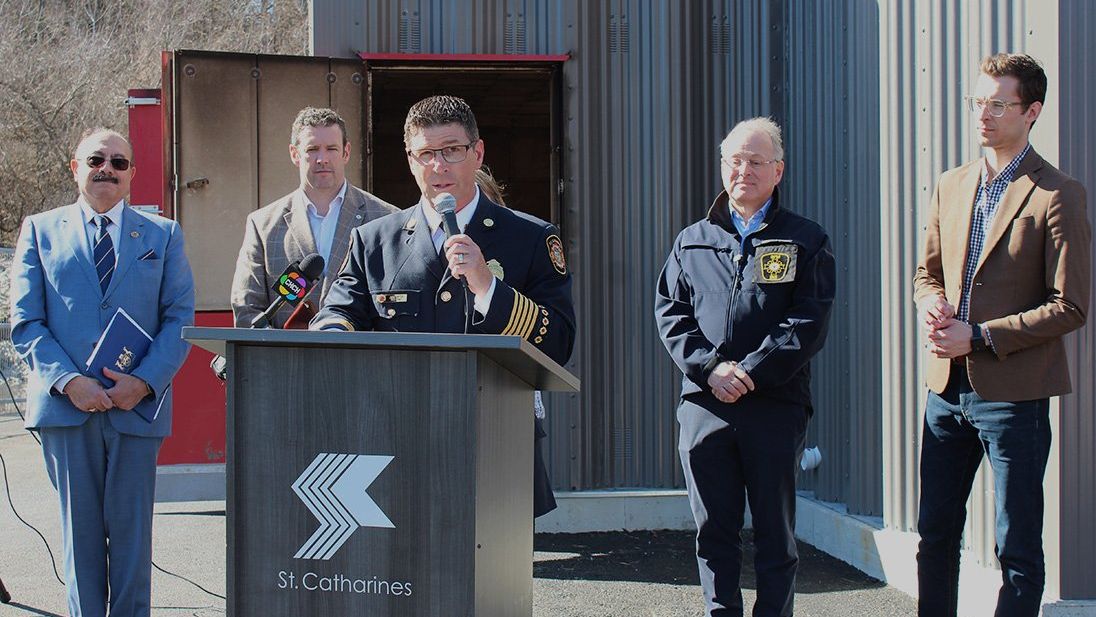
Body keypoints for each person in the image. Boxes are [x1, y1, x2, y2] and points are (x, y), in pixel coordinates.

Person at [310, 95, 574, 517]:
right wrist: (335, 335)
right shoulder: (374, 240)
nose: (439, 166)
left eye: (452, 150)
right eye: (426, 154)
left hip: (493, 441)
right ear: (410, 160)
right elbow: (339, 311)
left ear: (478, 153)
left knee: (488, 581)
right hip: (394, 440)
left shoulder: (531, 238)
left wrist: (489, 287)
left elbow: (558, 342)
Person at [913, 53, 1090, 617]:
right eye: (977, 102)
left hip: (1014, 397)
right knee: (934, 538)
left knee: (1016, 548)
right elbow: (927, 272)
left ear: (1031, 111)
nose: (982, 114)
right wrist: (931, 304)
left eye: (998, 104)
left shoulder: (1057, 193)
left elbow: (1071, 306)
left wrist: (980, 336)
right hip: (945, 392)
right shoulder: (952, 183)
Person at [10, 128, 195, 616]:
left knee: (133, 538)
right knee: (82, 535)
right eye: (96, 159)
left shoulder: (163, 235)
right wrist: (69, 382)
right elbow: (25, 322)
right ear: (76, 167)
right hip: (66, 410)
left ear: (132, 173)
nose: (106, 169)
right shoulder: (40, 230)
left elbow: (180, 318)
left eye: (118, 161)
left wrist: (146, 381)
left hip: (138, 408)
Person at [655, 117, 835, 617]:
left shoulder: (806, 239)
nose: (744, 171)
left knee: (775, 534)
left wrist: (750, 371)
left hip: (774, 406)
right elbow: (671, 314)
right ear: (722, 167)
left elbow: (807, 322)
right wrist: (711, 369)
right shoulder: (691, 240)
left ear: (778, 171)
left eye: (756, 162)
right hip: (705, 406)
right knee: (714, 532)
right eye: (735, 160)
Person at [231, 107, 397, 328]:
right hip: (284, 359)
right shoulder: (263, 225)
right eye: (312, 149)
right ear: (294, 154)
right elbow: (247, 309)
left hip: (360, 359)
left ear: (346, 152)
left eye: (331, 149)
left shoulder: (387, 219)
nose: (322, 159)